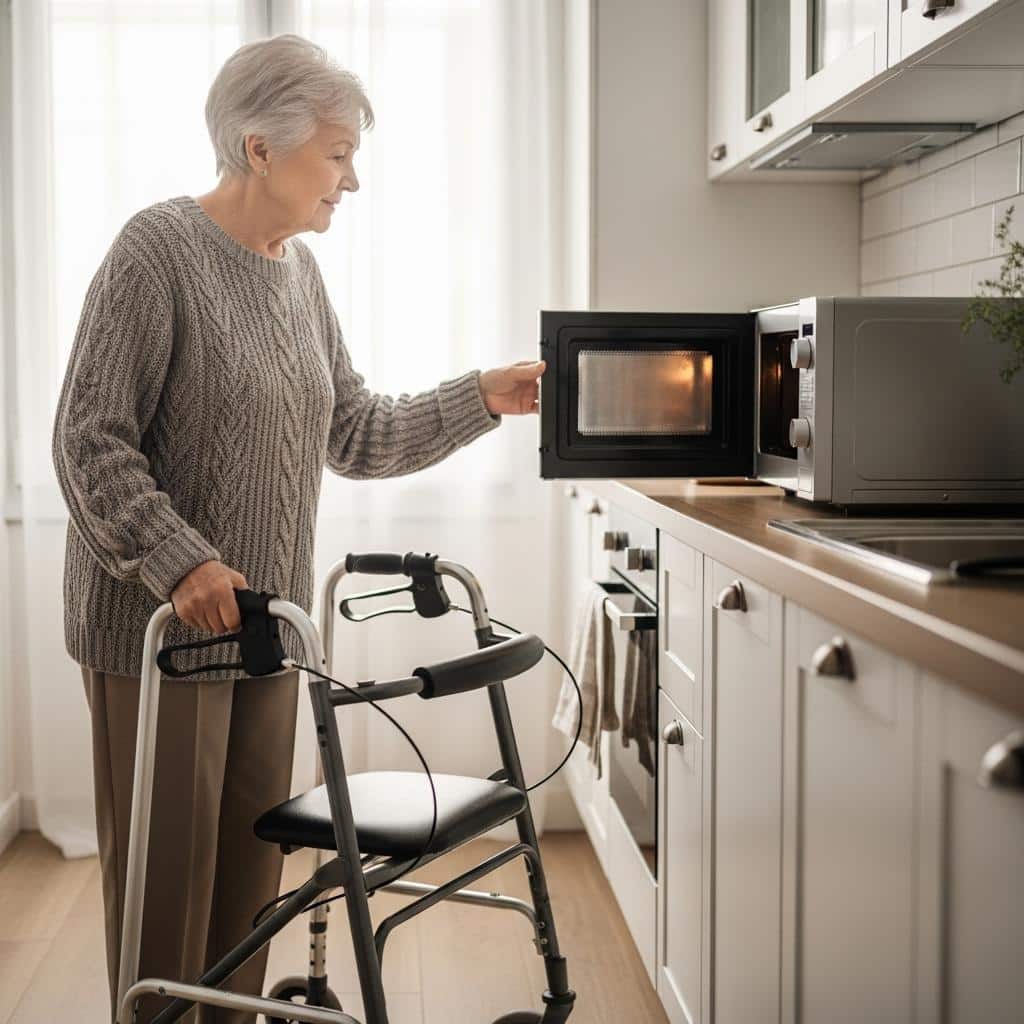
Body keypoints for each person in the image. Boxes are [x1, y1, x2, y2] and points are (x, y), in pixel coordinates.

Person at [50, 32, 545, 1024]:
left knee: (248, 879)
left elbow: (356, 432)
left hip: (268, 634)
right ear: (260, 148)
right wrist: (177, 557)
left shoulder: (297, 277)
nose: (352, 181)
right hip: (163, 637)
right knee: (168, 884)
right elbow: (88, 435)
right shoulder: (157, 253)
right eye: (338, 154)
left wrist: (480, 396)